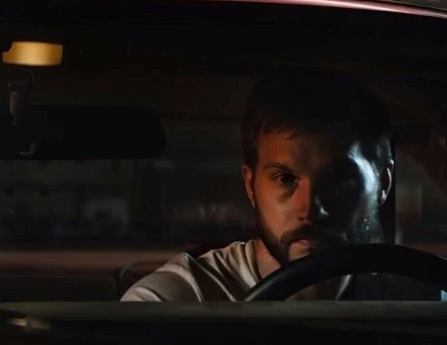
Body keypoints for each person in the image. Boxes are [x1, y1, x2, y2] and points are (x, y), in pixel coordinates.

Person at [122, 68, 417, 302]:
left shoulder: (418, 298)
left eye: (338, 179)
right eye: (285, 178)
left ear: (383, 183)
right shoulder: (176, 300)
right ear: (250, 185)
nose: (310, 209)